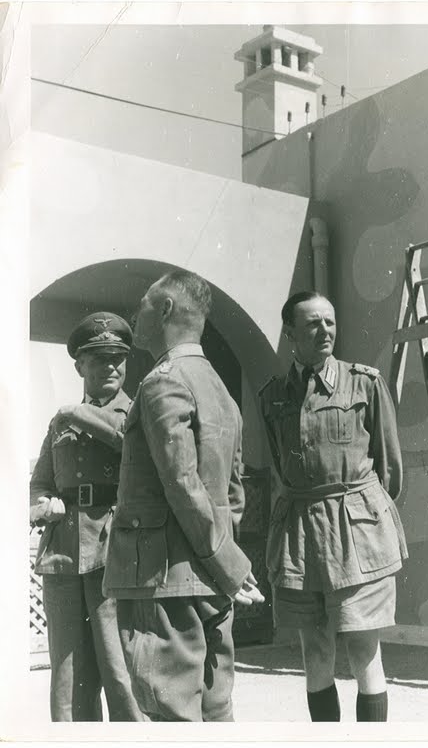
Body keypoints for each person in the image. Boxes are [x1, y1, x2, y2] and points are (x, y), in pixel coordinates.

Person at [103, 269, 264, 722]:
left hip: (165, 580)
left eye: (144, 304)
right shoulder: (220, 388)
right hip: (211, 579)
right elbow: (233, 491)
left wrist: (223, 562)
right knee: (216, 710)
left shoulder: (163, 381)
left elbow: (182, 483)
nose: (136, 314)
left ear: (166, 309)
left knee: (171, 713)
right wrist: (226, 563)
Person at [259, 291, 408, 722]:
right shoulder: (273, 396)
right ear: (290, 333)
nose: (324, 330)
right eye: (312, 324)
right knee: (316, 651)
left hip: (358, 535)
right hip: (300, 536)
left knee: (363, 648)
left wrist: (363, 515)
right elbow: (283, 465)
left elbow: (390, 469)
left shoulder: (365, 383)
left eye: (330, 321)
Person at [30, 311, 144, 722]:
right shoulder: (59, 421)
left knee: (119, 668)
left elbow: (127, 444)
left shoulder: (136, 412)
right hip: (62, 554)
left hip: (113, 550)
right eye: (100, 359)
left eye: (118, 358)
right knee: (68, 675)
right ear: (80, 366)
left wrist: (77, 414)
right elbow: (39, 482)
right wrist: (43, 503)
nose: (112, 366)